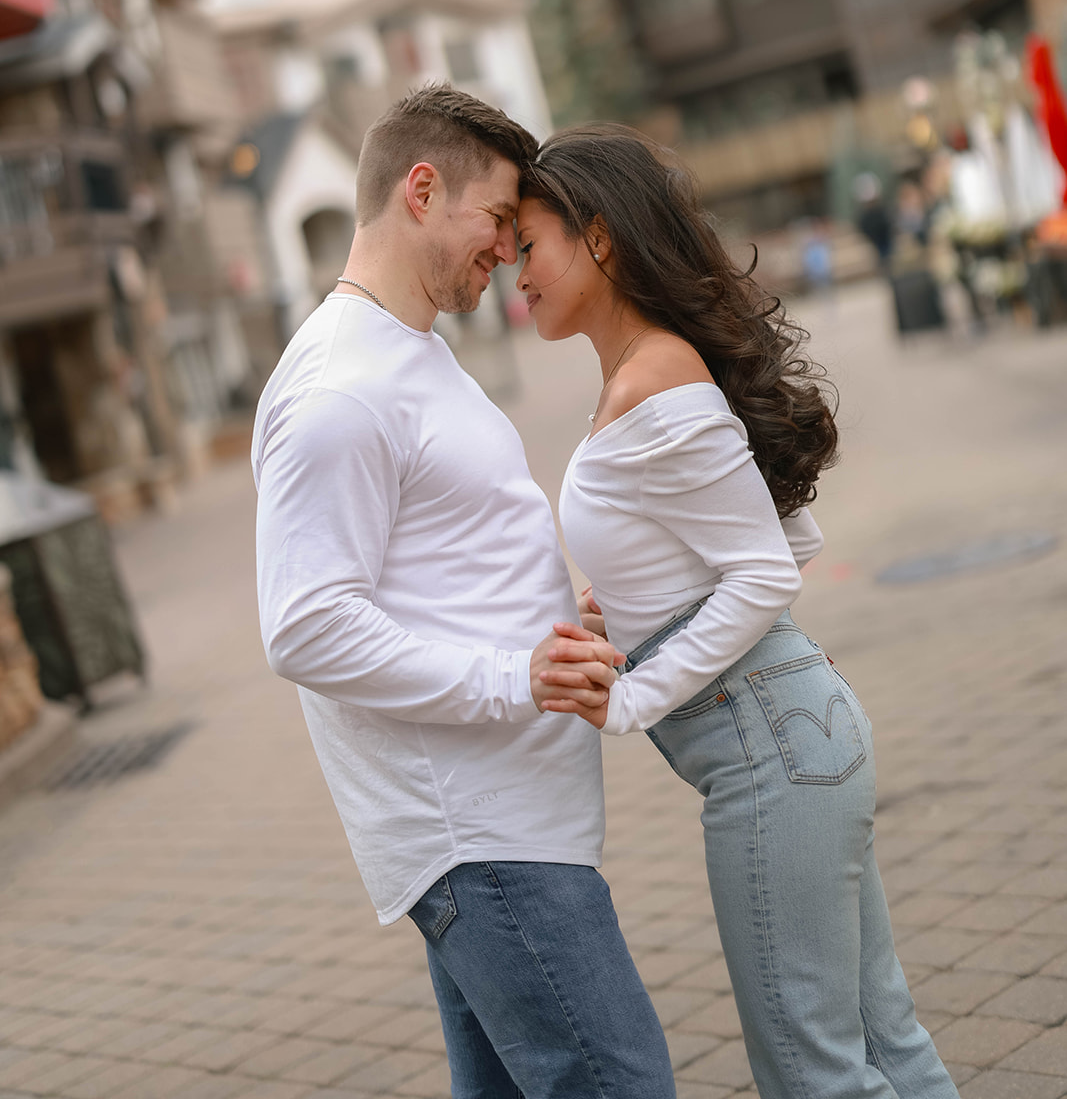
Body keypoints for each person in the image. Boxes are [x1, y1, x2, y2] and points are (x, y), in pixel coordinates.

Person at [520, 124, 959, 1099]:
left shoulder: (653, 381)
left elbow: (762, 574)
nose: (517, 273)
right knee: (879, 1041)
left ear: (597, 237)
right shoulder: (651, 373)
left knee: (813, 1070)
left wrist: (630, 697)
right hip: (792, 733)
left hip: (769, 751)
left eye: (528, 245)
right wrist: (634, 605)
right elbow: (785, 540)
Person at [252, 86, 675, 1099]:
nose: (506, 249)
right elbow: (304, 625)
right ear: (420, 188)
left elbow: (440, 564)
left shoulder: (409, 352)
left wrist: (555, 611)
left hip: (502, 830)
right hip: (479, 840)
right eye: (494, 219)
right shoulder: (337, 389)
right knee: (620, 1082)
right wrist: (510, 672)